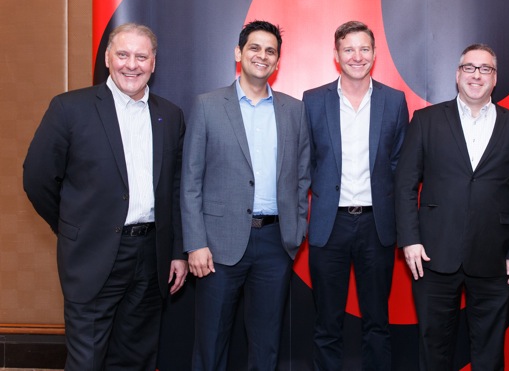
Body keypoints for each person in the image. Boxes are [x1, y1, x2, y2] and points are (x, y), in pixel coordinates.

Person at [23, 23, 188, 371]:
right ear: (108, 59)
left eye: (141, 56)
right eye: (123, 55)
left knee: (136, 359)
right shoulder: (70, 108)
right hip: (92, 255)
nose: (132, 64)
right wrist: (73, 226)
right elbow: (37, 178)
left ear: (153, 63)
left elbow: (175, 189)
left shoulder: (170, 116)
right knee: (87, 361)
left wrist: (176, 251)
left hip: (151, 257)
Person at [181, 20, 310, 371]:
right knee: (211, 343)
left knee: (266, 345)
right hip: (217, 246)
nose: (262, 56)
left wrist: (295, 232)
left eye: (270, 51)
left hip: (275, 244)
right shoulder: (207, 106)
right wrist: (195, 243)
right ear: (238, 53)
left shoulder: (294, 110)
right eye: (254, 48)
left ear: (278, 61)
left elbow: (302, 176)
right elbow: (190, 180)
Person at [395, 44, 509, 371]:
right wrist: (410, 240)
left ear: (495, 78)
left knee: (489, 352)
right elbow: (404, 184)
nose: (476, 75)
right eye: (469, 67)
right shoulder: (426, 121)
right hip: (433, 254)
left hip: (496, 257)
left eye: (485, 69)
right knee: (434, 347)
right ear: (457, 75)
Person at [303, 20, 408, 370]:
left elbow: (399, 163)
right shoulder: (313, 100)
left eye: (364, 49)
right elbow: (306, 161)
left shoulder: (394, 101)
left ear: (375, 54)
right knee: (327, 323)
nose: (357, 56)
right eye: (348, 49)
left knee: (377, 322)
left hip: (376, 226)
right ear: (336, 55)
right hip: (328, 225)